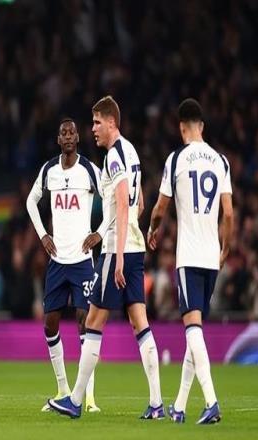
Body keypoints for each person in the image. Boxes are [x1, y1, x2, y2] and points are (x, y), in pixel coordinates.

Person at [49, 96, 163, 419]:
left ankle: (74, 401)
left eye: (97, 122)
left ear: (112, 122)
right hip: (136, 248)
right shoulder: (132, 151)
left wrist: (119, 255)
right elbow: (140, 201)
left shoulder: (114, 156)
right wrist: (136, 233)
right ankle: (156, 404)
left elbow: (124, 203)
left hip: (117, 250)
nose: (93, 129)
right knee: (139, 322)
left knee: (93, 321)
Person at [147, 98, 233, 424]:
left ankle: (211, 402)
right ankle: (180, 406)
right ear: (202, 127)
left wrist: (153, 229)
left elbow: (160, 208)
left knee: (192, 330)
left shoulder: (177, 159)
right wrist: (225, 248)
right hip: (212, 256)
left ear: (181, 127)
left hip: (189, 256)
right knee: (193, 332)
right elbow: (229, 213)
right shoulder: (221, 161)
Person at [26, 118, 103, 413]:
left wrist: (99, 233)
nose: (68, 136)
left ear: (78, 138)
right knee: (50, 324)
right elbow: (31, 202)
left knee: (86, 323)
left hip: (82, 261)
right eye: (63, 133)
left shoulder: (90, 170)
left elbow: (112, 201)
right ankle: (62, 389)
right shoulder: (49, 170)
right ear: (58, 140)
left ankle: (88, 398)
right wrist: (43, 235)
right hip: (58, 261)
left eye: (72, 132)